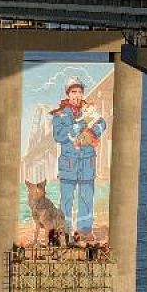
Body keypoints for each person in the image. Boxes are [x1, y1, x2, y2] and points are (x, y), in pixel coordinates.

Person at [50, 79, 106, 237]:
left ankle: (85, 230)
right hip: (69, 164)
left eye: (80, 92)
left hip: (87, 163)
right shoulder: (59, 114)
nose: (77, 95)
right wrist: (75, 128)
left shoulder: (89, 110)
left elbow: (102, 123)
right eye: (73, 92)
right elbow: (58, 136)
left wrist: (93, 132)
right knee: (66, 199)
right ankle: (64, 231)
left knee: (87, 197)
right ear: (68, 94)